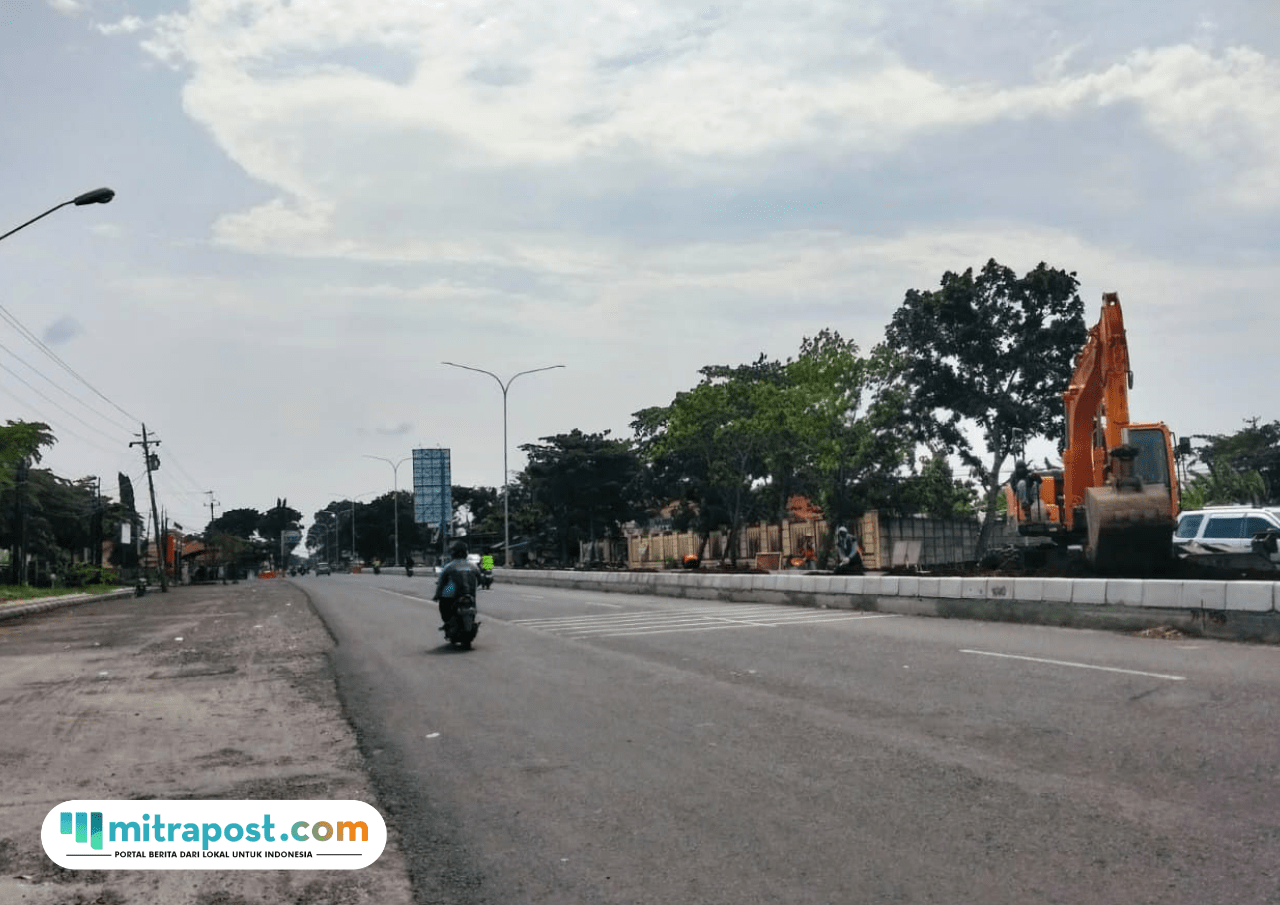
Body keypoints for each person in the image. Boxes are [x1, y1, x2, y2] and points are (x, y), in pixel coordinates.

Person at [432, 541, 481, 629]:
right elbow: (481, 580)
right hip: (470, 594)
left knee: (443, 603)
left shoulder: (449, 566)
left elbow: (441, 583)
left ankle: (447, 622)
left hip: (454, 595)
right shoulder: (473, 566)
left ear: (453, 553)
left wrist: (437, 595)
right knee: (472, 603)